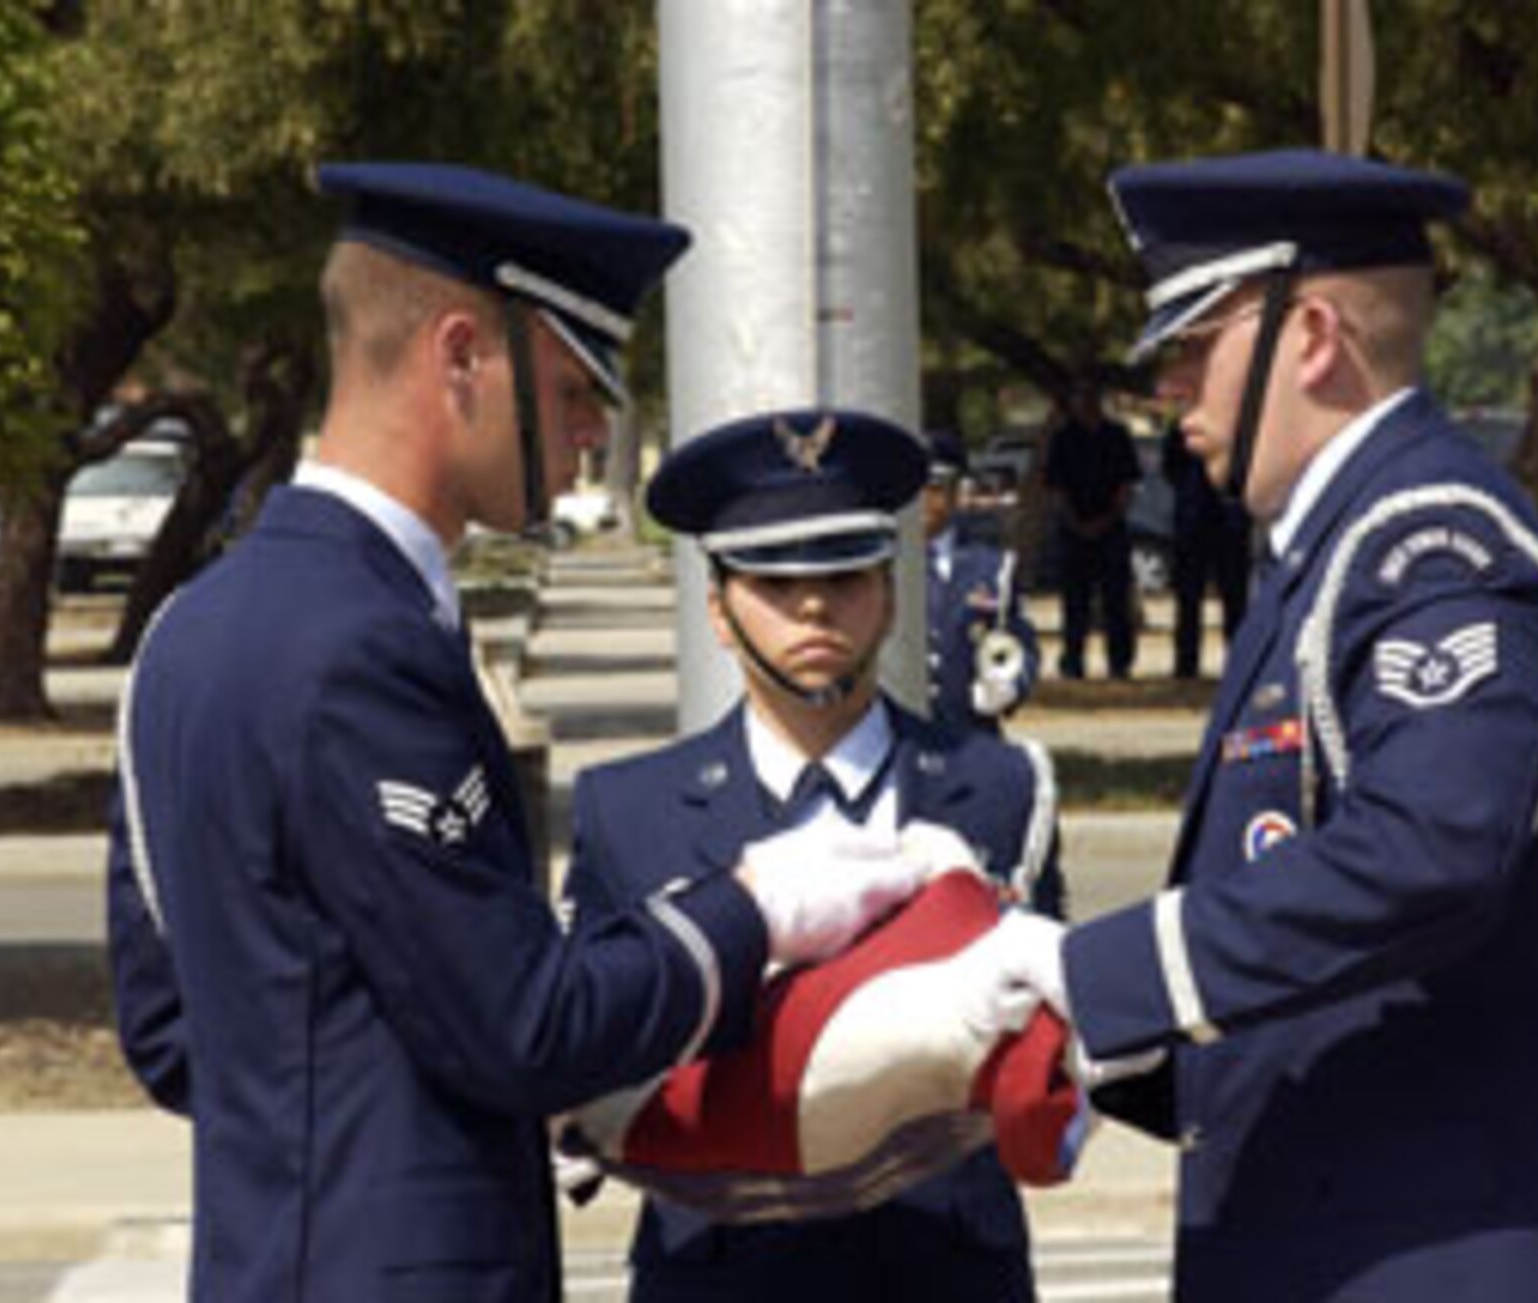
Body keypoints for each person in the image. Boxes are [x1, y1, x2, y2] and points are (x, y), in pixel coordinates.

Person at [103, 164, 930, 1303]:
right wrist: (756, 902)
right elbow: (525, 1025)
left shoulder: (186, 631)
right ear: (459, 357)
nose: (594, 428)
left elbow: (169, 1031)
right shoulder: (364, 646)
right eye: (572, 381)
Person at [989, 150, 1538, 1299]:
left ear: (1309, 336)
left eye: (1190, 346)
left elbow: (1427, 852)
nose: (1171, 393)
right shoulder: (1337, 551)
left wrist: (1093, 972)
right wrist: (1080, 1048)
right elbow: (1310, 954)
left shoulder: (1428, 547)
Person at [563, 407, 1066, 1303]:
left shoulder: (1001, 788)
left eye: (845, 573)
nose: (813, 604)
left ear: (891, 591)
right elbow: (583, 1047)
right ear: (718, 610)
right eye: (771, 579)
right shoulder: (627, 809)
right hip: (719, 1269)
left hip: (946, 1265)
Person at [922, 430, 1041, 732]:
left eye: (934, 487)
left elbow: (1018, 643)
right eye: (911, 489)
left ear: (956, 492)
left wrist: (1009, 684)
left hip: (970, 735)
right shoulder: (879, 565)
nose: (922, 500)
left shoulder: (991, 568)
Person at [1041, 381, 1141, 679]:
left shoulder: (1117, 435)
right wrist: (1075, 522)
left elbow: (1128, 483)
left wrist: (1107, 519)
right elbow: (1054, 486)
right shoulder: (1064, 438)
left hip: (1111, 529)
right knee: (1075, 602)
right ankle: (1073, 661)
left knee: (1116, 600)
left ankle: (1119, 662)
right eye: (1079, 398)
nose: (1085, 403)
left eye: (1090, 397)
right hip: (1073, 530)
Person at [1159, 415, 1251, 678]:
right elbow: (1171, 470)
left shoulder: (1237, 425)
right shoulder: (1182, 426)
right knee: (1188, 600)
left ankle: (1238, 664)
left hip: (1229, 521)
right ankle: (1186, 664)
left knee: (1235, 599)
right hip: (1192, 521)